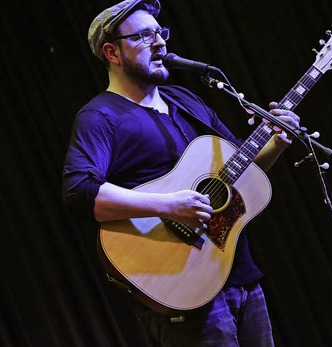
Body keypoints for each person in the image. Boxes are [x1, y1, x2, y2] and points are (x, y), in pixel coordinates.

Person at [62, 0, 300, 346]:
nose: (160, 43)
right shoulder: (101, 117)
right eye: (144, 36)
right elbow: (79, 193)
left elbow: (239, 167)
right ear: (112, 52)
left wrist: (277, 142)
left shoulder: (185, 101)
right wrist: (167, 205)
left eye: (160, 33)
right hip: (180, 286)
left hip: (239, 274)